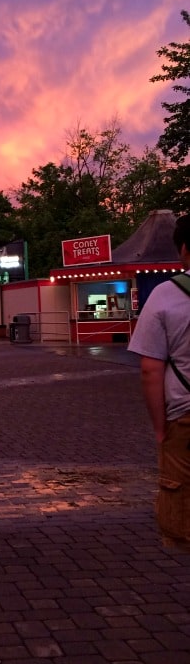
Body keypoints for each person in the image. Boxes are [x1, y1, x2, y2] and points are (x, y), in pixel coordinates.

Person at [128, 213, 190, 551]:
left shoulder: (166, 295)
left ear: (184, 250)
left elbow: (150, 370)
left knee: (181, 499)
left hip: (184, 416)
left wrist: (159, 427)